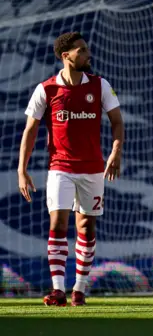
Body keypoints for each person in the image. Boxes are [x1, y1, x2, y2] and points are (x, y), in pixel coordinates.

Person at [18, 32, 124, 306]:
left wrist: (115, 151)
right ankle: (58, 290)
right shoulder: (47, 89)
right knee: (58, 223)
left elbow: (117, 122)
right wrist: (22, 169)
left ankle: (79, 288)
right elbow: (30, 130)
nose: (88, 54)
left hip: (92, 169)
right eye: (82, 50)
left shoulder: (100, 85)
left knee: (86, 227)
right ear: (66, 56)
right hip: (59, 168)